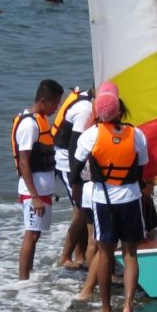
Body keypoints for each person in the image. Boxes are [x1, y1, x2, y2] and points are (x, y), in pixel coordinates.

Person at [71, 82, 148, 312]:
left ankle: (105, 309)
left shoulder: (90, 135)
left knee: (105, 253)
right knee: (130, 253)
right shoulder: (136, 134)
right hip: (129, 198)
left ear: (97, 112)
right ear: (120, 110)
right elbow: (141, 167)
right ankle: (128, 307)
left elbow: (75, 170)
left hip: (102, 200)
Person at [11, 79, 64, 280]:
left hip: (42, 190)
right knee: (31, 235)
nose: (56, 108)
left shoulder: (40, 120)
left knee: (36, 234)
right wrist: (33, 196)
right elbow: (24, 162)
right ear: (44, 100)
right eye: (55, 104)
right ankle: (23, 282)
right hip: (34, 192)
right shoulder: (29, 125)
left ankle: (29, 275)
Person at [53, 86, 94, 270]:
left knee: (82, 209)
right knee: (81, 210)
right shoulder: (85, 109)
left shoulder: (87, 96)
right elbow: (74, 147)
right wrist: (76, 180)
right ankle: (66, 255)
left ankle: (80, 256)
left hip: (74, 160)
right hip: (66, 162)